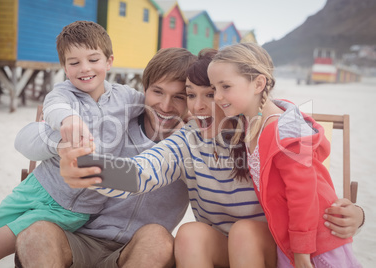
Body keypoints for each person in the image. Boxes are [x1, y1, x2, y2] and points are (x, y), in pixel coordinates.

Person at [63, 49, 365, 268]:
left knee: (245, 232)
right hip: (223, 248)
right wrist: (92, 168)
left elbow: (310, 188)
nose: (199, 106)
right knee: (191, 233)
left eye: (211, 94)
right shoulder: (187, 139)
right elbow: (144, 170)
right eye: (190, 95)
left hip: (278, 248)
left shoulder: (261, 135)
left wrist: (356, 214)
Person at [12, 33, 197, 268]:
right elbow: (26, 136)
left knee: (158, 238)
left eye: (179, 97)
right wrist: (62, 144)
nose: (165, 105)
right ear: (144, 89)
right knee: (36, 233)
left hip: (136, 250)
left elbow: (144, 173)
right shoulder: (115, 120)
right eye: (157, 92)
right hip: (79, 238)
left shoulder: (191, 145)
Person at [0, 20, 125, 267]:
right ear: (65, 68)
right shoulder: (62, 94)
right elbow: (54, 108)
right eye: (74, 63)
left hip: (66, 208)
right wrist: (69, 120)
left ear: (109, 61)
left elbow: (158, 102)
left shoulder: (124, 98)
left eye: (93, 59)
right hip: (34, 188)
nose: (84, 68)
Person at [207, 42, 362, 267]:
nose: (218, 97)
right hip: (290, 239)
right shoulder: (253, 122)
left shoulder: (283, 130)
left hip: (317, 241)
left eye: (226, 86)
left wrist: (301, 252)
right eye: (214, 88)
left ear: (259, 83)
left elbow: (303, 193)